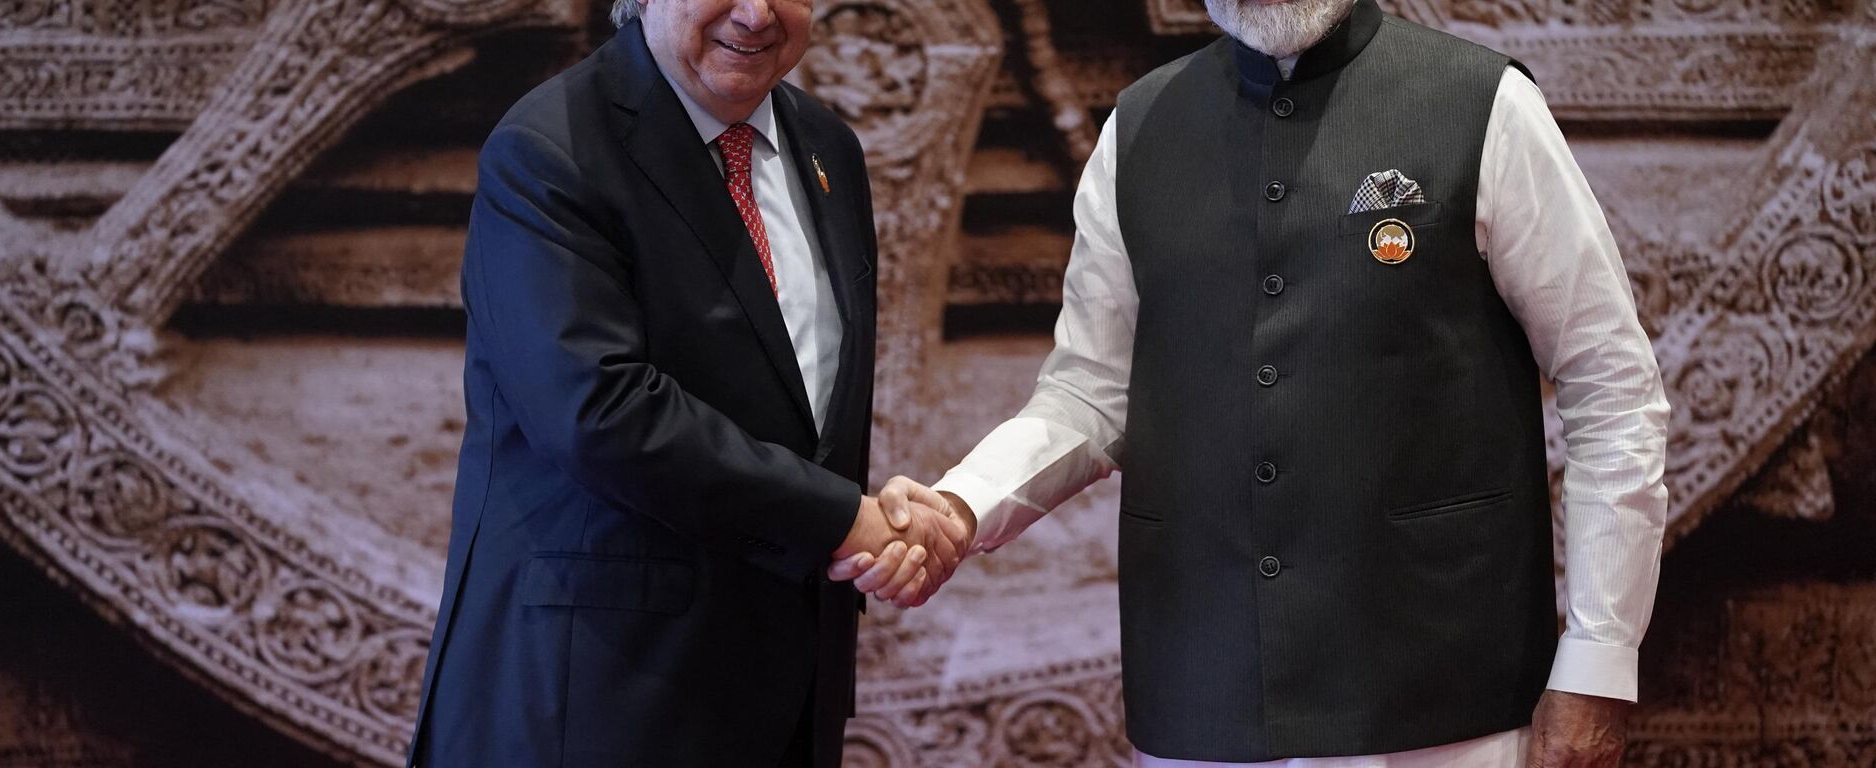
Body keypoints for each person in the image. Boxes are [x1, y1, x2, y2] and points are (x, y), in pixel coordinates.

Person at [840, 0, 1670, 765]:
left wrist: (1598, 662)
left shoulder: (1483, 107)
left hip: (1444, 705)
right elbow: (1092, 392)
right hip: (1203, 700)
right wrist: (962, 505)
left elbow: (1611, 384)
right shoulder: (1140, 129)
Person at [404, 1, 968, 765]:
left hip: (785, 694)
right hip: (596, 699)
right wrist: (843, 518)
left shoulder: (829, 147)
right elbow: (600, 412)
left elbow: (806, 405)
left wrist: (873, 513)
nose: (757, 13)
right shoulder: (548, 149)